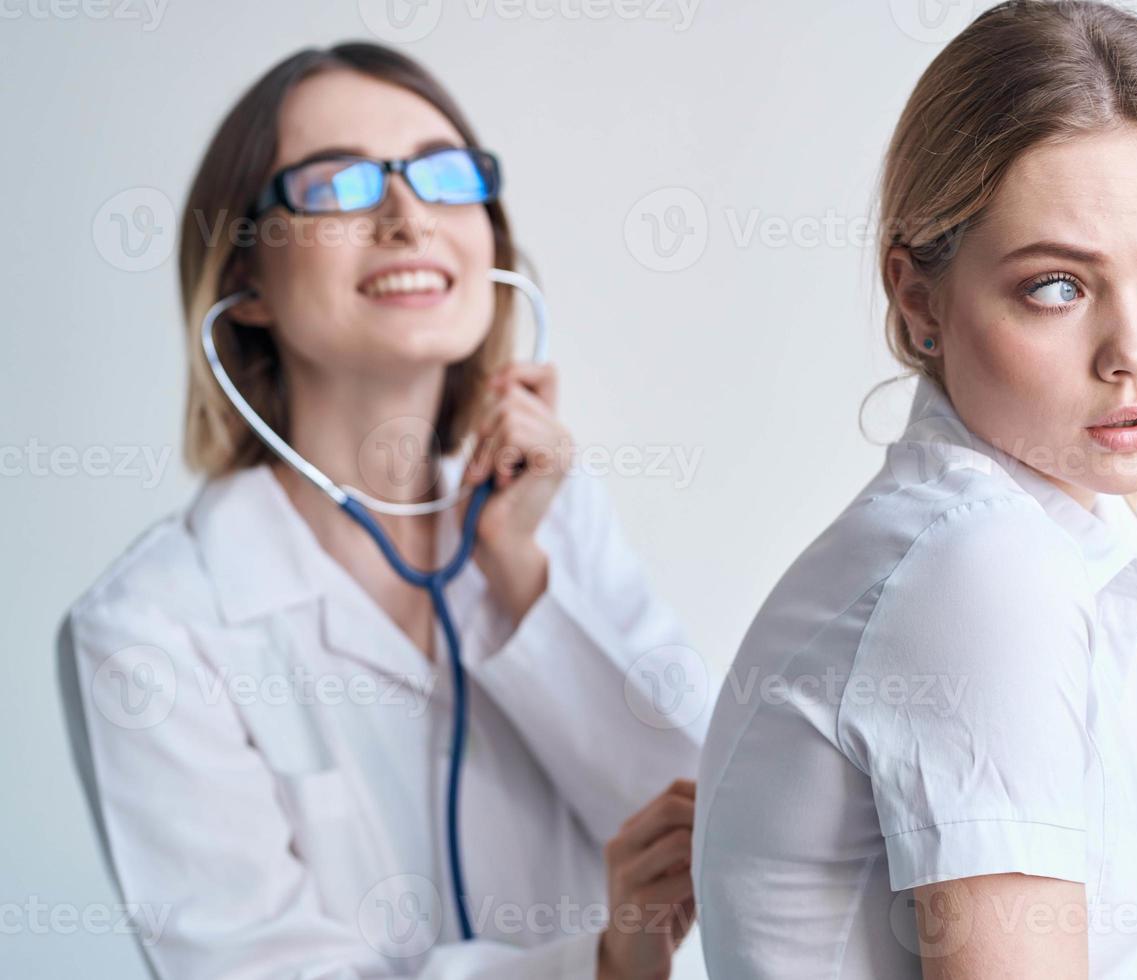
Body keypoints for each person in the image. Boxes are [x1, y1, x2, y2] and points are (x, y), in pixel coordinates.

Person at [58, 41, 703, 980]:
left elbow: (711, 825)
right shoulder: (152, 627)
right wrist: (596, 965)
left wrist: (523, 584)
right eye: (338, 187)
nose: (408, 216)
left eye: (444, 175)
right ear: (243, 286)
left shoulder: (552, 518)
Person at [692, 2, 1137, 977]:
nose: (1134, 353)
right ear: (918, 299)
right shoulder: (976, 563)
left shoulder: (1121, 537)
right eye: (1056, 286)